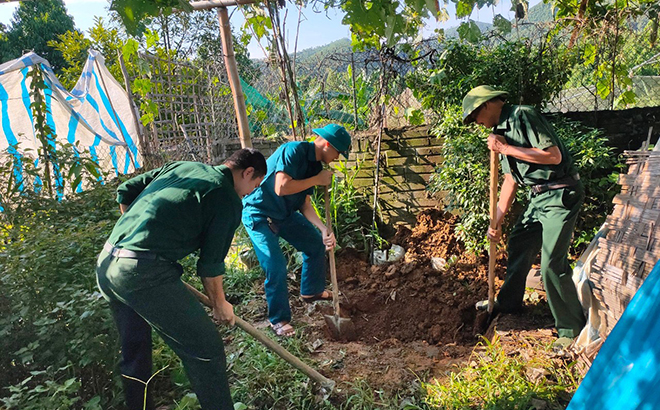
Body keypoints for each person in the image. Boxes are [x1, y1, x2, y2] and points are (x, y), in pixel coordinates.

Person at [96, 148, 267, 410]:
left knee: (135, 350)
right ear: (248, 172)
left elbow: (126, 190)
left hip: (108, 264)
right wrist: (220, 304)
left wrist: (139, 236)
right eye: (254, 186)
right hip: (142, 274)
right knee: (206, 349)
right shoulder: (226, 198)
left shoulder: (182, 167)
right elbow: (210, 265)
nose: (250, 192)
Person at [462, 85, 586, 348]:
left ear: (486, 105)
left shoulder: (523, 116)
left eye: (475, 116)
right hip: (538, 197)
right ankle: (508, 302)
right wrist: (495, 221)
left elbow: (553, 156)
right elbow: (509, 181)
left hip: (560, 193)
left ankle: (570, 329)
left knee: (552, 263)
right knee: (519, 241)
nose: (477, 123)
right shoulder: (500, 132)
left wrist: (506, 150)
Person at [242, 124, 352, 337]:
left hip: (285, 214)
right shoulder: (293, 150)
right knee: (276, 265)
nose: (338, 158)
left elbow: (305, 204)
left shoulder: (315, 166)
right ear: (327, 144)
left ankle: (312, 291)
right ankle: (279, 319)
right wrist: (317, 180)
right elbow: (281, 187)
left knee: (315, 244)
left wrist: (322, 229)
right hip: (260, 213)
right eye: (338, 152)